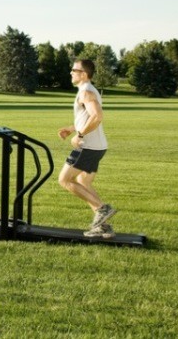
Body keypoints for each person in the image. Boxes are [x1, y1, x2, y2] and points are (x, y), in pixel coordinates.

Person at [57, 59, 117, 238]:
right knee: (83, 182)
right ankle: (103, 227)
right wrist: (71, 129)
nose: (71, 73)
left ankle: (102, 209)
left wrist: (80, 135)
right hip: (97, 146)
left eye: (74, 70)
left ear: (84, 74)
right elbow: (88, 117)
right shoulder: (87, 91)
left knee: (65, 180)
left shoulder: (86, 92)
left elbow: (97, 116)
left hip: (87, 146)